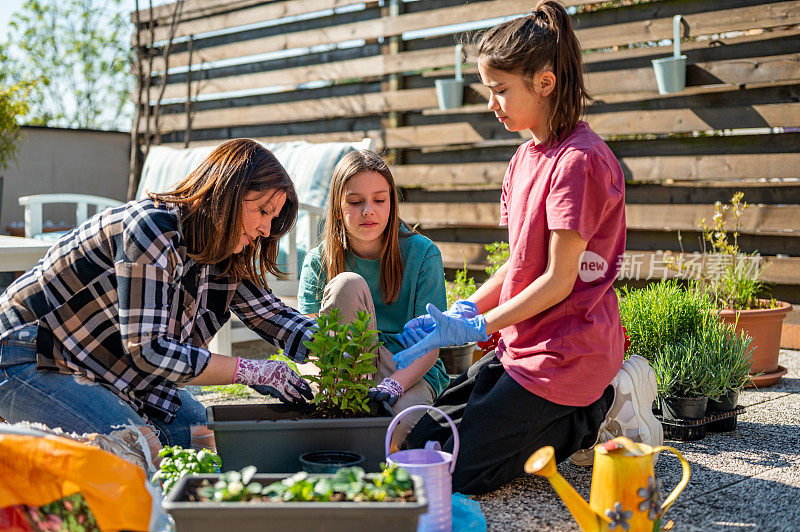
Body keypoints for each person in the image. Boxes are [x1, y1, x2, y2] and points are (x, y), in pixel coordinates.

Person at [393, 1, 662, 495]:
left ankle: (601, 406)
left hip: (568, 354)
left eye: (500, 91)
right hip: (523, 347)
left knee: (460, 473)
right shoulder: (523, 159)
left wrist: (479, 327)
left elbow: (560, 281)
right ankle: (573, 410)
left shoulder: (579, 163)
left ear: (545, 82)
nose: (491, 104)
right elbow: (520, 266)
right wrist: (467, 307)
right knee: (426, 442)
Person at [0, 139, 316, 458]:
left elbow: (271, 315)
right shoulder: (152, 227)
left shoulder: (225, 248)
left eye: (273, 219)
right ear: (229, 192)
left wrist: (339, 349)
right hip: (26, 353)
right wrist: (251, 370)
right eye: (263, 211)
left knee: (210, 443)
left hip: (107, 370)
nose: (266, 229)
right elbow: (149, 349)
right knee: (137, 451)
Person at [297, 149, 450, 446]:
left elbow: (431, 346)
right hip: (345, 369)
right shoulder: (319, 260)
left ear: (392, 203)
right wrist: (323, 384)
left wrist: (396, 383)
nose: (369, 210)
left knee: (393, 436)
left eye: (379, 200)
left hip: (408, 370)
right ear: (338, 206)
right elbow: (307, 344)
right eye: (355, 202)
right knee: (346, 284)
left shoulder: (423, 253)